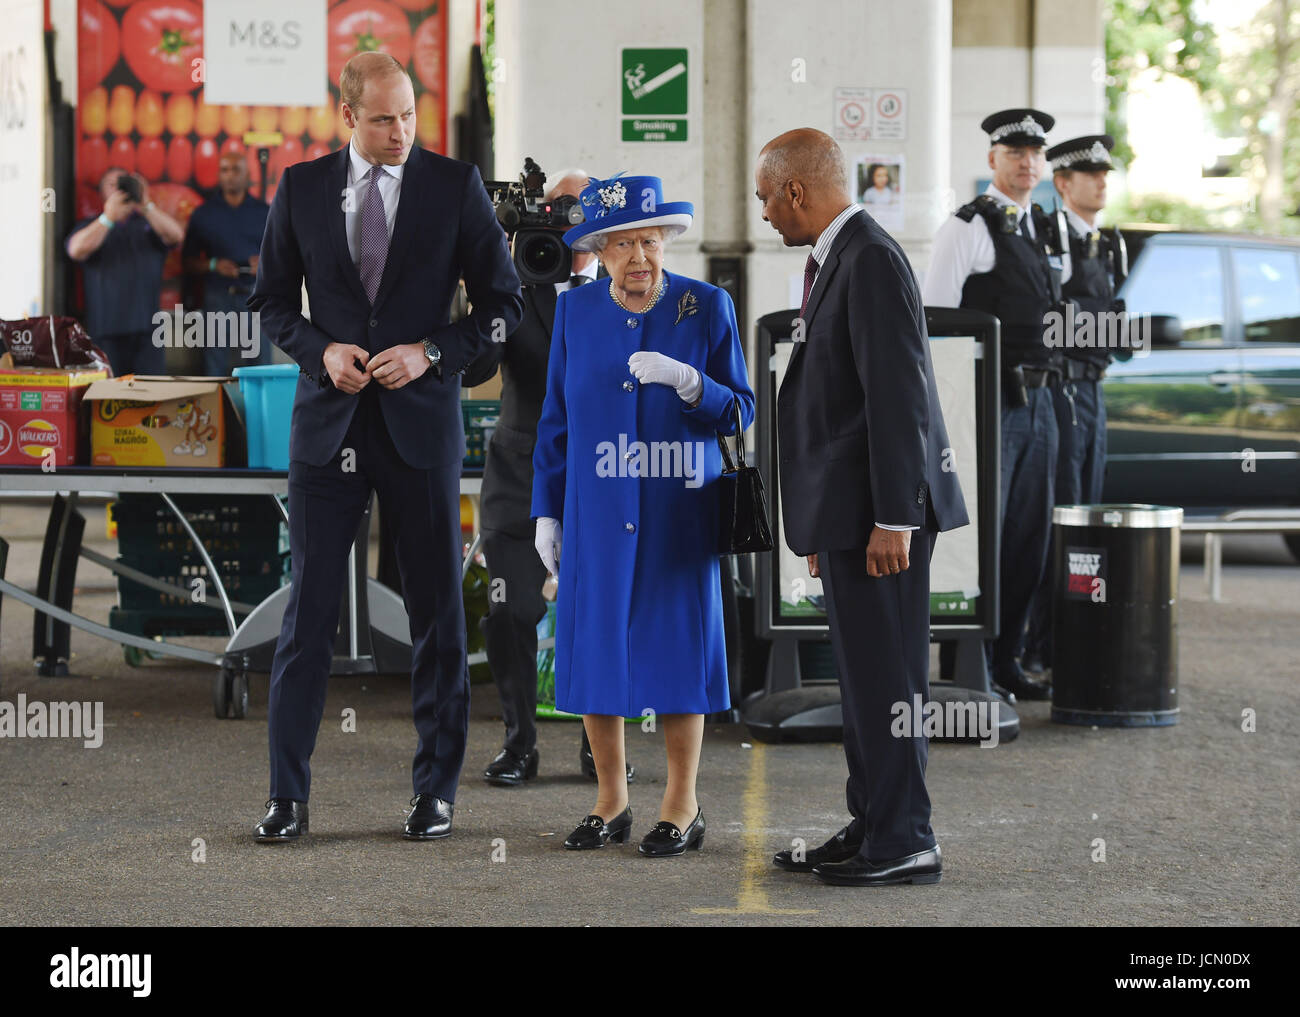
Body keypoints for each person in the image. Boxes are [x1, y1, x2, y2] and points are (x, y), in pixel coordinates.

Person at [248, 52, 523, 843]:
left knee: (438, 610)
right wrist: (319, 350)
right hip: (327, 424)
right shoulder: (300, 188)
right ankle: (287, 796)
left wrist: (434, 352)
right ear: (346, 118)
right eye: (382, 119)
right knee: (309, 616)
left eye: (408, 116)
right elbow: (269, 298)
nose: (400, 132)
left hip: (419, 424)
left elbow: (502, 305)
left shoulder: (454, 185)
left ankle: (436, 790)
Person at [755, 129, 968, 886]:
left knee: (889, 683)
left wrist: (894, 517)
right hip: (850, 516)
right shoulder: (841, 258)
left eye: (765, 200)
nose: (765, 217)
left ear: (796, 191)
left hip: (883, 519)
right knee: (864, 679)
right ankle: (873, 820)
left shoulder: (870, 258)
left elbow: (898, 394)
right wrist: (826, 520)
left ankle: (906, 836)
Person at [531, 173, 754, 856]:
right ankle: (610, 799)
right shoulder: (575, 314)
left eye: (649, 241)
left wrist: (691, 382)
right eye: (622, 244)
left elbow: (740, 409)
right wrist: (547, 511)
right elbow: (555, 424)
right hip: (596, 510)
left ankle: (682, 804)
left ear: (665, 241)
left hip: (678, 505)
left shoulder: (705, 305)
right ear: (598, 251)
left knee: (678, 650)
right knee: (598, 648)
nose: (638, 257)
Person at [473, 169, 635, 788]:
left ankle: (603, 745)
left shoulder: (632, 288)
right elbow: (477, 366)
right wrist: (490, 281)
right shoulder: (517, 283)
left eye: (576, 210)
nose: (563, 221)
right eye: (553, 208)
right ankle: (519, 742)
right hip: (519, 474)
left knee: (603, 612)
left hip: (603, 476)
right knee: (509, 611)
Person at [922, 108, 1066, 702]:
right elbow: (933, 321)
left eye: (1035, 153)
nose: (1027, 162)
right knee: (986, 535)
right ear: (993, 161)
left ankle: (1006, 663)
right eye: (1015, 152)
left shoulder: (1039, 228)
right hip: (991, 405)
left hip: (1041, 400)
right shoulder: (967, 227)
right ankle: (968, 668)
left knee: (1031, 534)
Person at [1022, 134, 1129, 673]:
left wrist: (1120, 331)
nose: (1102, 182)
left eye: (1105, 174)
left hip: (1094, 388)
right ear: (1063, 182)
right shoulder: (1050, 238)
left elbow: (1104, 328)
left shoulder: (1107, 243)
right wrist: (1110, 327)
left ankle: (1074, 640)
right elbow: (1050, 322)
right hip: (1061, 389)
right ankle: (1041, 647)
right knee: (1058, 516)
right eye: (1090, 174)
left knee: (1088, 511)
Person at [66, 167, 185, 375]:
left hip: (148, 331)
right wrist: (108, 218)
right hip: (106, 330)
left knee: (151, 398)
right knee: (108, 398)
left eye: (124, 184)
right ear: (102, 193)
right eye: (112, 185)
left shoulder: (149, 225)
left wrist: (146, 204)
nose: (119, 189)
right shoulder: (91, 225)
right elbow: (76, 249)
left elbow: (176, 235)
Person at [182, 151, 272, 375]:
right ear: (219, 175)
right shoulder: (203, 214)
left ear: (247, 175)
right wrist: (213, 265)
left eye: (236, 170)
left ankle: (259, 412)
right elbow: (187, 262)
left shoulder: (265, 212)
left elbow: (286, 257)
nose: (230, 175)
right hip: (217, 297)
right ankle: (217, 410)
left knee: (261, 368)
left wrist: (264, 264)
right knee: (214, 368)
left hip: (256, 297)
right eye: (224, 170)